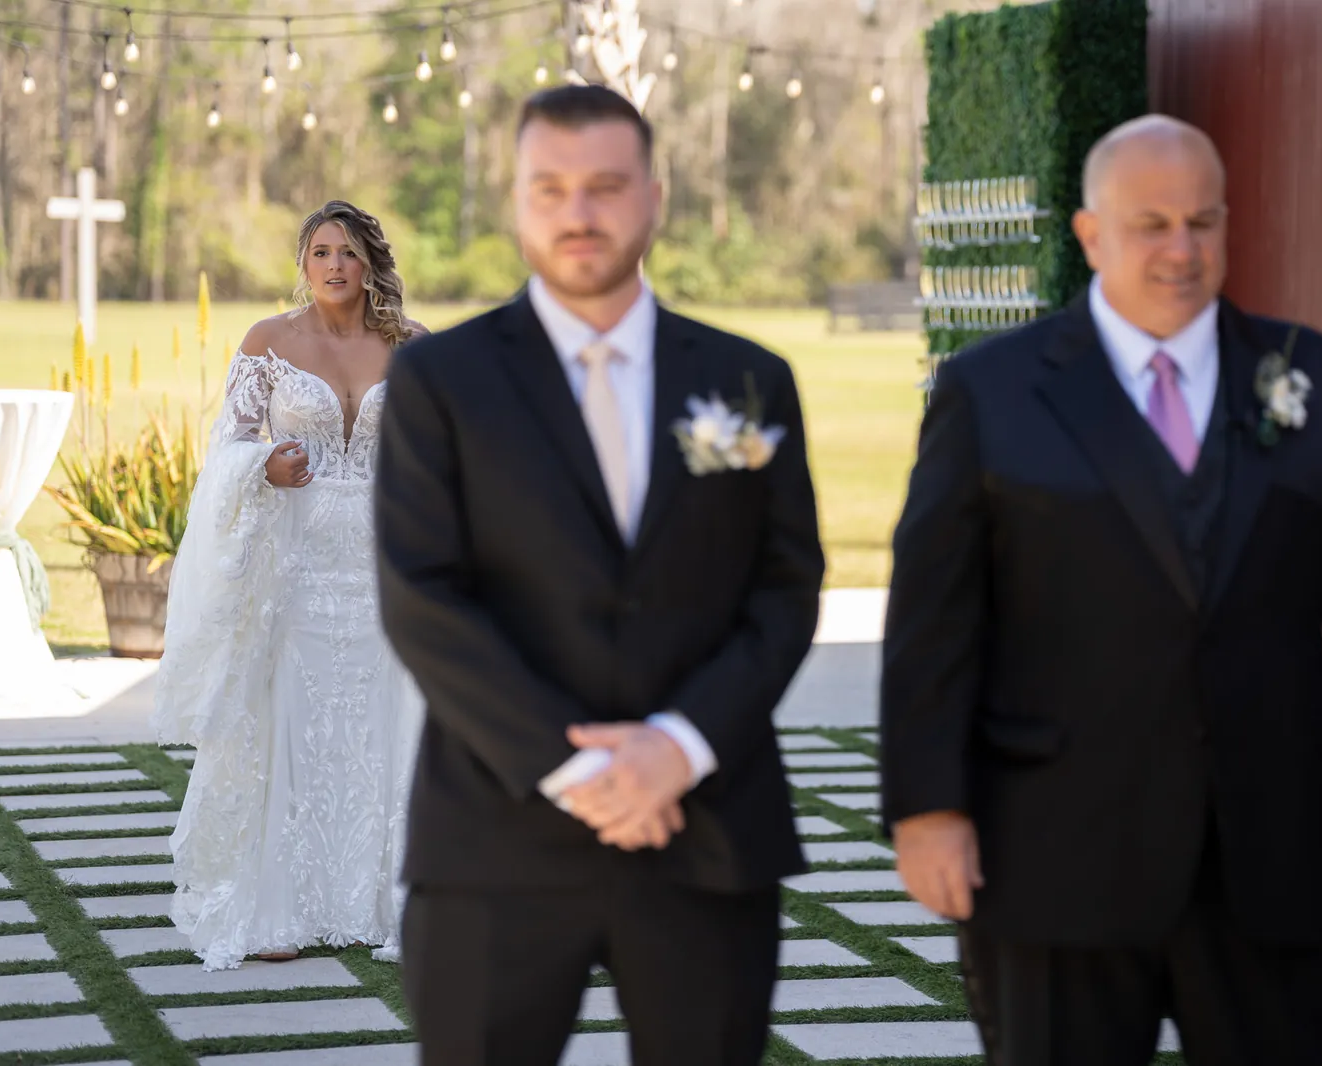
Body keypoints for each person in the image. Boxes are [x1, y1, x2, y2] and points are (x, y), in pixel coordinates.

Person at [878, 114, 1322, 1065]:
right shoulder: (991, 391)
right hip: (1053, 849)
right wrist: (926, 809)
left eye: (1204, 221)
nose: (1182, 250)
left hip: (1270, 847)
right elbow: (933, 626)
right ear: (1090, 234)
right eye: (1151, 224)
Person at [374, 84, 824, 1066]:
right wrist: (580, 770)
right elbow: (422, 596)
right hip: (495, 838)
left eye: (607, 186)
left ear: (655, 197)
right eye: (551, 188)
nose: (579, 213)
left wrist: (679, 743)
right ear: (517, 199)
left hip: (705, 830)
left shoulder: (749, 380)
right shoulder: (437, 382)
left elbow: (784, 593)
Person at [152, 200, 429, 971]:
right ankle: (279, 905)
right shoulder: (268, 344)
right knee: (292, 722)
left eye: (347, 251)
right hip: (296, 567)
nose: (334, 264)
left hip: (383, 571)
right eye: (319, 251)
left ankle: (384, 901)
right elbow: (228, 449)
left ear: (371, 261)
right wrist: (264, 465)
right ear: (302, 264)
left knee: (383, 721)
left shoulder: (413, 349)